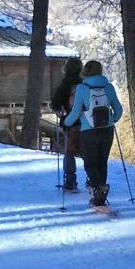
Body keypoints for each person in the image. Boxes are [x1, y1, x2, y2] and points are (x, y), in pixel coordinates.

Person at [64, 60, 123, 208]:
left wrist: (67, 122)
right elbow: (118, 110)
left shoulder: (82, 88)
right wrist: (112, 120)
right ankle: (100, 194)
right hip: (107, 130)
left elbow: (76, 111)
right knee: (102, 162)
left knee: (90, 162)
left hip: (88, 130)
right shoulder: (108, 87)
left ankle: (98, 188)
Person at [50, 57, 84, 193]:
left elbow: (55, 104)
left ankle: (71, 182)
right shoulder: (84, 83)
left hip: (70, 122)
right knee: (86, 152)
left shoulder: (65, 84)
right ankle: (93, 182)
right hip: (86, 122)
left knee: (69, 153)